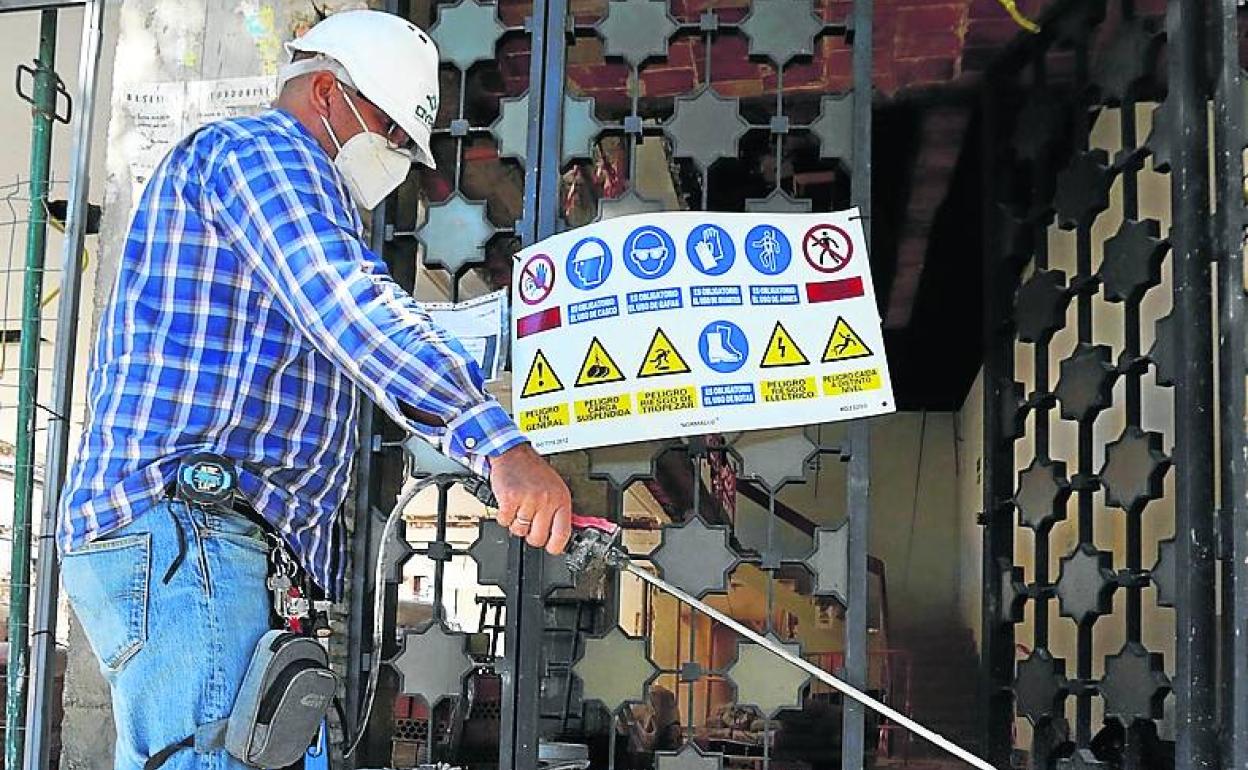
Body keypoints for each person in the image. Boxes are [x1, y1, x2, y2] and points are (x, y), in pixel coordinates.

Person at [55, 10, 572, 770]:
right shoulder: (265, 155)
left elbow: (357, 327)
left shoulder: (287, 185)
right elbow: (352, 306)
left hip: (218, 543)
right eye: (392, 132)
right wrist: (497, 444)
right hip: (190, 534)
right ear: (328, 91)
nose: (395, 156)